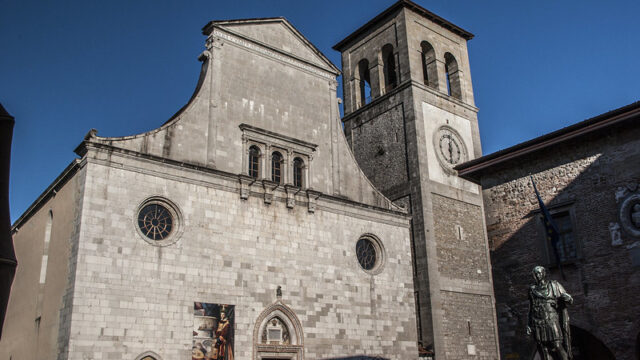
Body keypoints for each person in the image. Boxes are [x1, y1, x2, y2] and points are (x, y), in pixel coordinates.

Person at [527, 266, 573, 360]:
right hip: (537, 321)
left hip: (551, 319)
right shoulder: (532, 289)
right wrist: (528, 324)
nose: (537, 275)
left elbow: (568, 299)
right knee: (543, 348)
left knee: (557, 344)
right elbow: (531, 308)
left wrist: (568, 298)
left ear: (544, 273)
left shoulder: (554, 285)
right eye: (535, 274)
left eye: (539, 273)